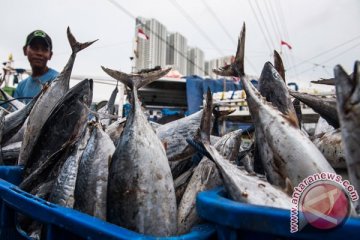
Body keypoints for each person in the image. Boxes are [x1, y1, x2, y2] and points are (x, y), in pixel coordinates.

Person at [14, 30, 59, 103]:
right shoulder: (21, 86)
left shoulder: (57, 80)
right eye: (35, 48)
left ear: (50, 55)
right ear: (25, 50)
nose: (39, 53)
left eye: (44, 49)